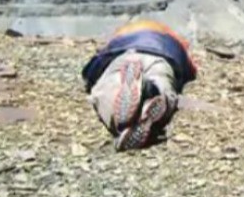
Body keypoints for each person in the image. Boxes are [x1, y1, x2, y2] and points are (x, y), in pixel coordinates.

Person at [81, 20, 198, 151]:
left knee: (106, 90)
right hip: (163, 55)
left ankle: (121, 120)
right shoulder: (172, 38)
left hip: (124, 54)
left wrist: (91, 75)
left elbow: (91, 69)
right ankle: (154, 92)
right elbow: (190, 67)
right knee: (163, 83)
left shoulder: (119, 36)